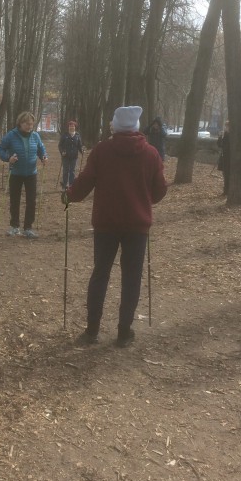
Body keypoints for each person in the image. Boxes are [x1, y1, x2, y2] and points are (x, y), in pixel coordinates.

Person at [62, 106, 167, 348]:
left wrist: (69, 196)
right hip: (137, 225)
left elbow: (84, 182)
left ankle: (92, 331)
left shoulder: (102, 150)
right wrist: (143, 200)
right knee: (131, 278)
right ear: (137, 127)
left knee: (100, 274)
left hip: (106, 223)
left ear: (116, 126)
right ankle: (123, 332)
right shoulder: (151, 154)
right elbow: (160, 190)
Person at [0, 111, 48, 239]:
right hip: (16, 173)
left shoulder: (35, 136)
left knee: (31, 201)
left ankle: (28, 228)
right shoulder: (11, 135)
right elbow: (0, 149)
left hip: (31, 173)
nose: (29, 126)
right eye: (26, 124)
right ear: (20, 123)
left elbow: (41, 149)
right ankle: (14, 226)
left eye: (31, 124)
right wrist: (8, 158)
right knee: (15, 200)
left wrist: (44, 157)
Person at [58, 120, 84, 189]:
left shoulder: (77, 136)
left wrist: (82, 151)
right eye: (70, 126)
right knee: (65, 171)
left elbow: (79, 146)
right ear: (68, 127)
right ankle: (64, 185)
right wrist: (62, 151)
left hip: (74, 157)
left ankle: (71, 185)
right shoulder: (65, 135)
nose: (71, 127)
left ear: (75, 127)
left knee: (72, 171)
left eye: (73, 126)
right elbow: (60, 145)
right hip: (65, 156)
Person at [217, 121, 231, 195]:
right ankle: (225, 190)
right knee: (225, 174)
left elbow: (226, 146)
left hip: (229, 158)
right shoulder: (225, 134)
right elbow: (220, 145)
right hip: (224, 157)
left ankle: (227, 190)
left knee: (228, 174)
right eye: (226, 126)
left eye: (227, 126)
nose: (226, 128)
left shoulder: (231, 136)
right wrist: (220, 137)